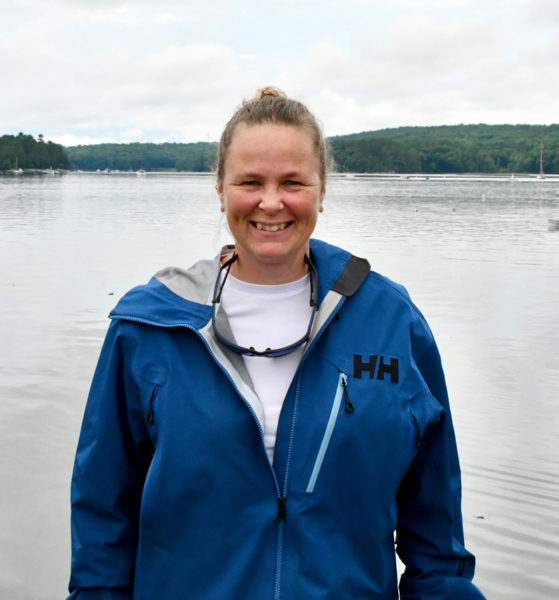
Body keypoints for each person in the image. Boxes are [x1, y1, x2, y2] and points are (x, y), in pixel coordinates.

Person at [67, 87, 486, 600]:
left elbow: (436, 527)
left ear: (322, 190)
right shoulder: (149, 327)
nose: (271, 202)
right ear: (220, 188)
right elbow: (102, 509)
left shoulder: (391, 320)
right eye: (250, 182)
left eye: (292, 182)